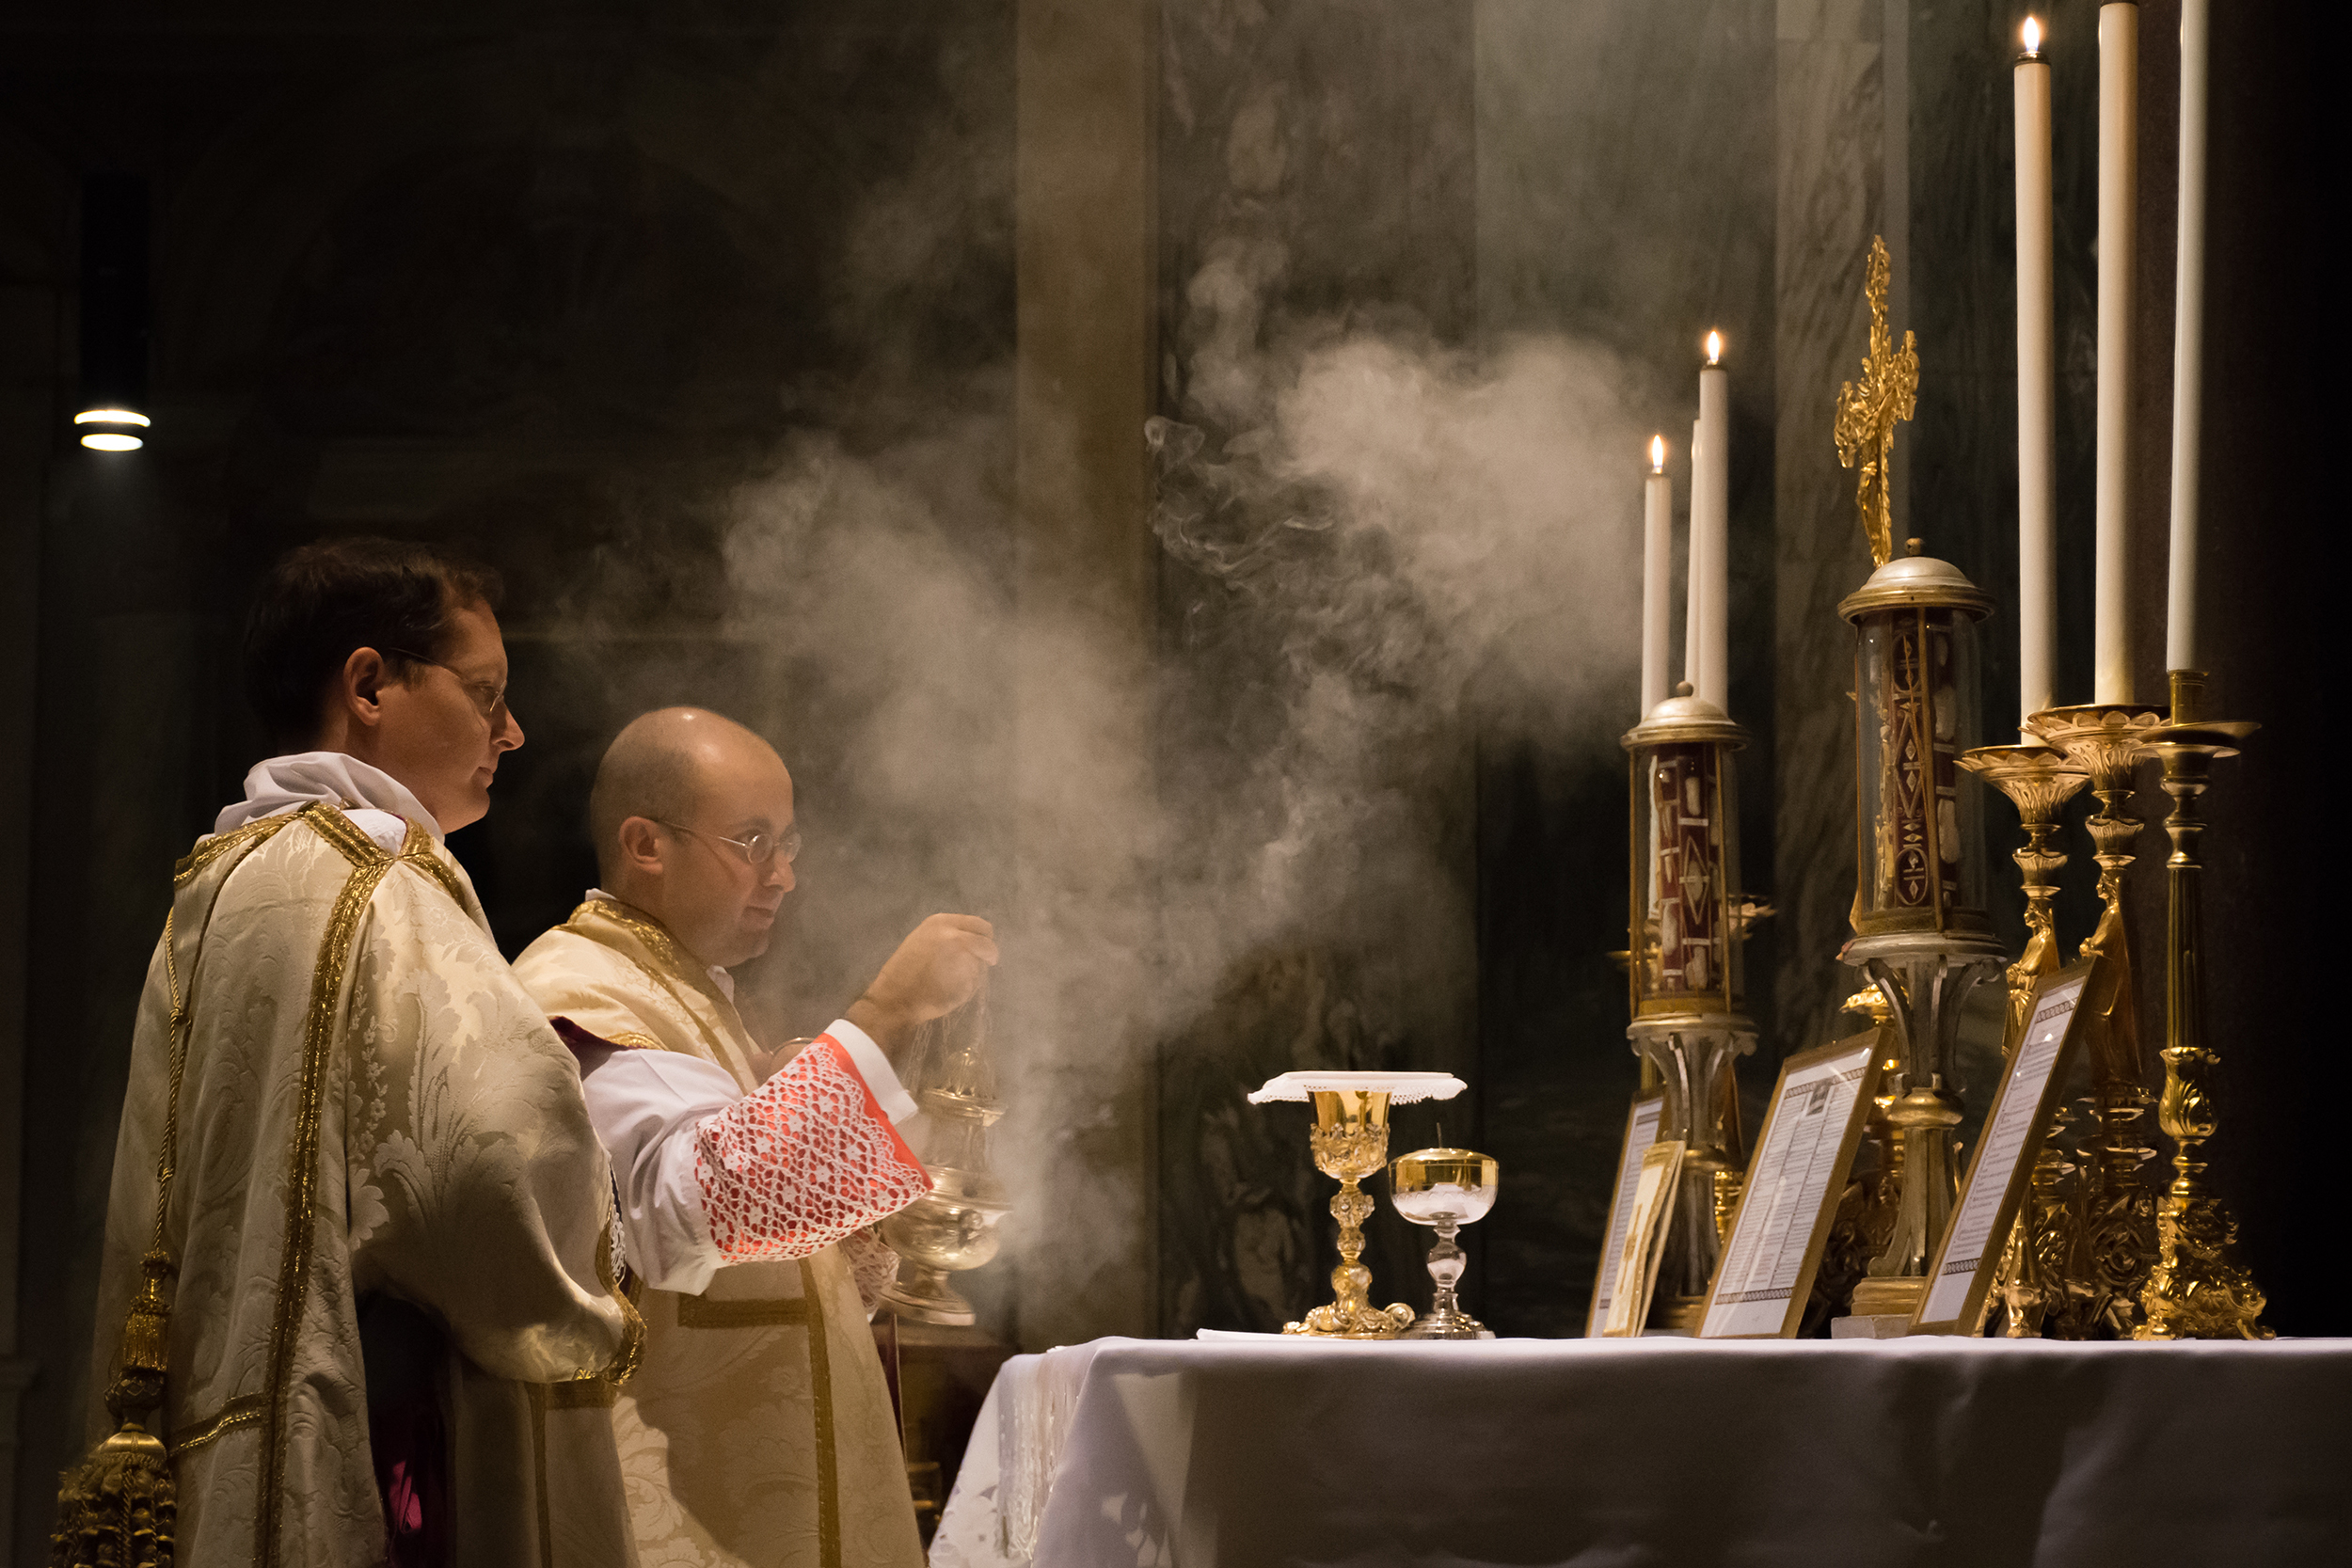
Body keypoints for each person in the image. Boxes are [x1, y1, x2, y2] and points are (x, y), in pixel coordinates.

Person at [68, 538, 640, 1568]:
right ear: (370, 684)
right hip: (377, 1440)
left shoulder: (213, 887)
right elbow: (484, 1162)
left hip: (217, 1436)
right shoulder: (388, 886)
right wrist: (600, 1280)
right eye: (485, 691)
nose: (511, 730)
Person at [512, 706, 995, 1568]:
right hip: (679, 1511)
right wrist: (884, 1011)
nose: (783, 875)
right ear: (645, 843)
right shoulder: (583, 994)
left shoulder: (687, 995)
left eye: (789, 844)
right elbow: (708, 1205)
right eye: (752, 840)